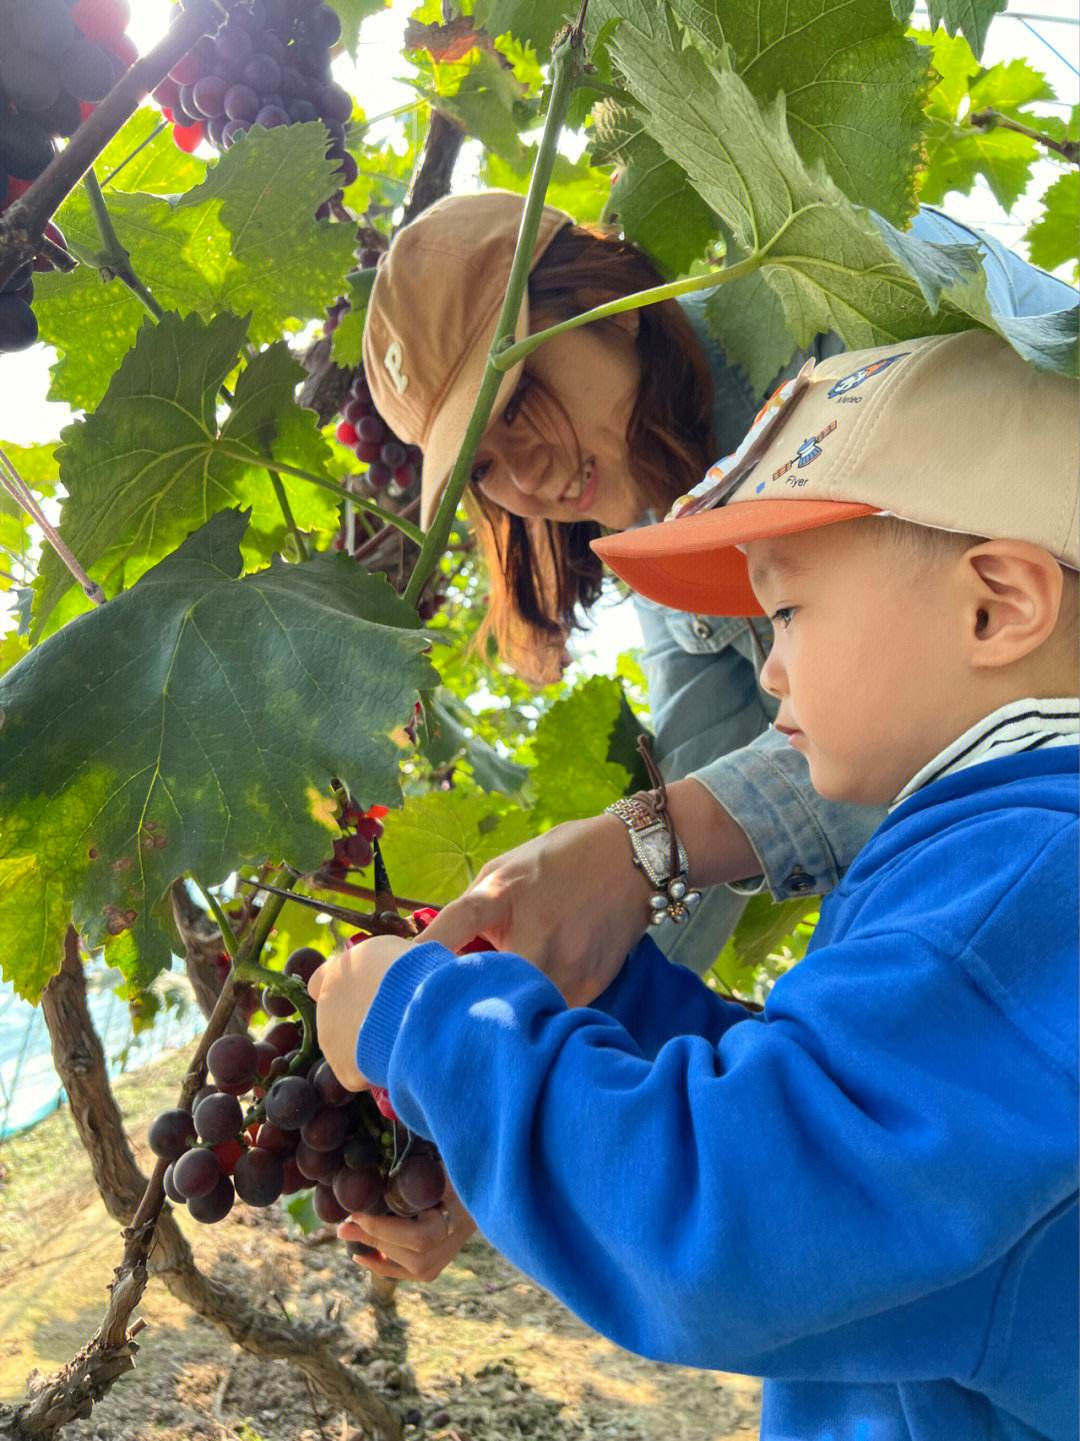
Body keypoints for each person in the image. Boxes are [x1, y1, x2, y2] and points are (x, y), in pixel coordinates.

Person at [312, 329, 1079, 1441]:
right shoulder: (1001, 871)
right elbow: (844, 1108)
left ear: (996, 605)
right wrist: (620, 1002)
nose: (764, 667)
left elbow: (738, 1220)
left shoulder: (1025, 883)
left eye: (790, 612)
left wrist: (426, 1023)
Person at [364, 189, 1079, 986]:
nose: (524, 475)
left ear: (607, 305)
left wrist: (637, 847)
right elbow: (706, 774)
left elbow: (945, 685)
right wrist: (563, 989)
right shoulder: (662, 531)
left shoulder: (834, 301)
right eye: (485, 465)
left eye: (522, 397)